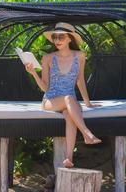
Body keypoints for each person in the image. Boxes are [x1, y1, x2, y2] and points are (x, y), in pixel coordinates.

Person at [24, 22, 102, 168]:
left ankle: (69, 159)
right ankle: (86, 133)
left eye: (61, 37)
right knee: (68, 99)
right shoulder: (48, 58)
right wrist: (34, 73)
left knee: (70, 117)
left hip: (70, 101)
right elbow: (45, 87)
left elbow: (80, 81)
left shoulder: (80, 56)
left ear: (69, 39)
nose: (57, 40)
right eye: (55, 37)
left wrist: (88, 103)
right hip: (51, 100)